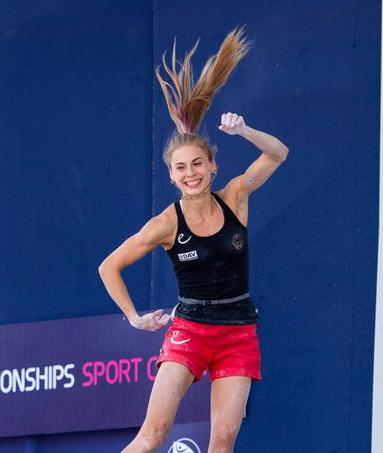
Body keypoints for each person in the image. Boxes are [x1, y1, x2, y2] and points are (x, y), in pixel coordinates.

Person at [98, 28, 289, 453]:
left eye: (198, 163)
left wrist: (246, 132)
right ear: (171, 175)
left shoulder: (235, 197)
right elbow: (108, 266)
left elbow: (278, 153)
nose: (191, 173)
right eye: (181, 167)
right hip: (190, 329)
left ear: (212, 166)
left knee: (222, 441)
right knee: (151, 437)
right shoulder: (166, 223)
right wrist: (132, 316)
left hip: (239, 329)